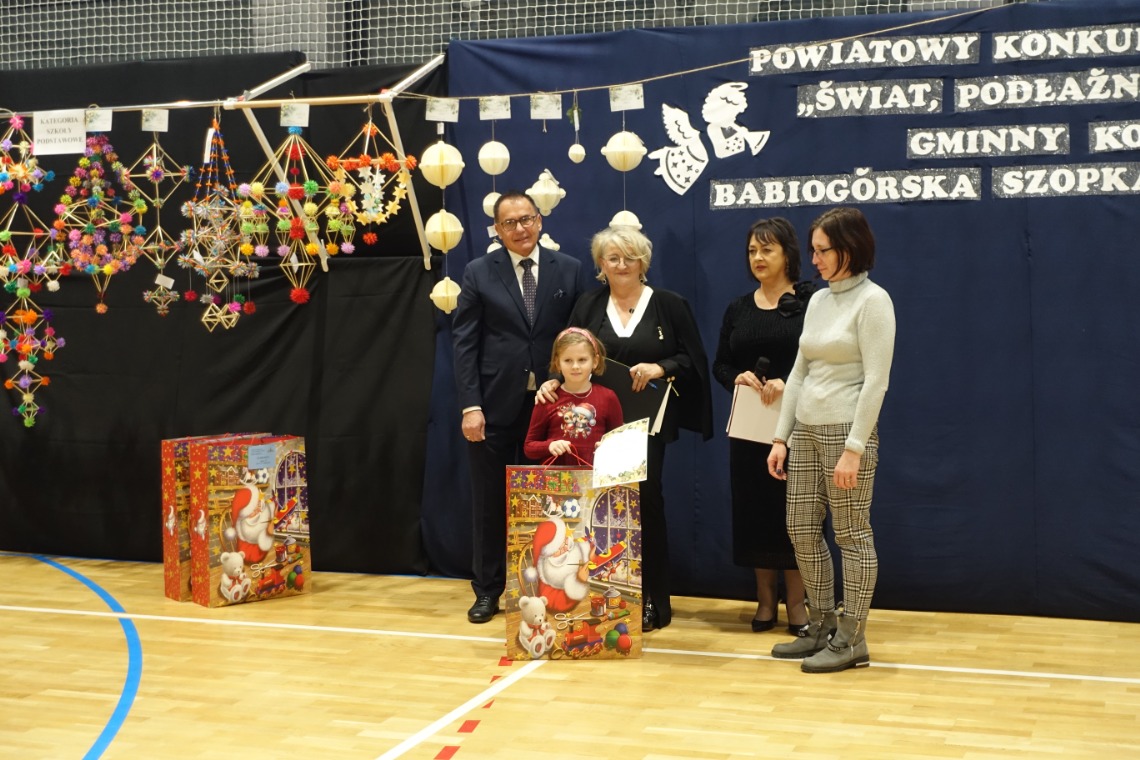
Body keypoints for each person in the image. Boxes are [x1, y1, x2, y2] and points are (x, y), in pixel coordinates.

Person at [538, 225, 713, 631]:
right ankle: (602, 597)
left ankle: (651, 600)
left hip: (644, 427)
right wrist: (552, 382)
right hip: (592, 427)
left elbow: (693, 359)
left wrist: (661, 367)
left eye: (629, 257)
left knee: (644, 507)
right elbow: (568, 354)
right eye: (613, 258)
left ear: (643, 262)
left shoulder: (669, 304)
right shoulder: (588, 304)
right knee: (597, 511)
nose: (621, 265)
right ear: (601, 264)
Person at [766, 206, 895, 673]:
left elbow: (876, 381)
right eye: (814, 250)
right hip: (804, 428)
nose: (814, 260)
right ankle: (821, 625)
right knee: (801, 530)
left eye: (822, 251)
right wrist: (781, 437)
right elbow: (799, 371)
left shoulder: (874, 301)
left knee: (852, 534)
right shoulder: (819, 300)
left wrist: (854, 449)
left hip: (846, 432)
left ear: (849, 249)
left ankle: (852, 638)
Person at [452, 190, 584, 624]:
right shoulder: (477, 271)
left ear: (539, 221)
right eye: (509, 223)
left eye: (526, 219)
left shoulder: (569, 269)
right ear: (497, 229)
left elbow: (578, 340)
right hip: (493, 407)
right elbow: (464, 344)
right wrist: (471, 406)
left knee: (550, 504)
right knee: (489, 502)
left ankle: (544, 589)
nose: (520, 228)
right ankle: (489, 590)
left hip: (552, 407)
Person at [712, 217, 813, 635]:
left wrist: (788, 382)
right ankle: (765, 601)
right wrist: (737, 377)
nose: (758, 257)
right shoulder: (738, 308)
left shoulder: (810, 302)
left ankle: (799, 604)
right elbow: (720, 364)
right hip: (751, 430)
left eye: (767, 250)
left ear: (787, 254)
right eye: (752, 250)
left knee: (797, 515)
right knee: (756, 513)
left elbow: (823, 361)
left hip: (799, 427)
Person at [524, 327, 623, 466]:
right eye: (568, 360)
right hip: (555, 478)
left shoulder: (608, 397)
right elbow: (529, 447)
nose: (575, 366)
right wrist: (550, 446)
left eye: (582, 360)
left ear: (595, 361)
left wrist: (609, 447)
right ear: (557, 363)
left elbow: (620, 442)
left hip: (595, 476)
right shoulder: (547, 398)